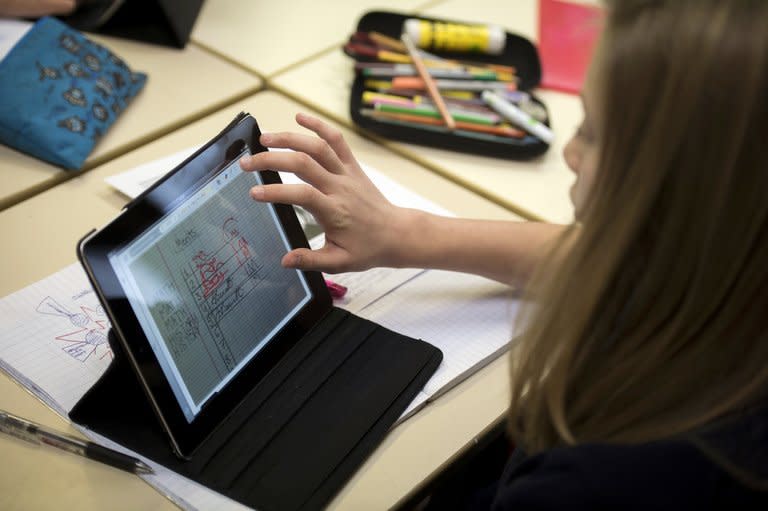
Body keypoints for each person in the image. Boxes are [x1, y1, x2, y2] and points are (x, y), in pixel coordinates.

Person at [239, 0, 768, 507]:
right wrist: (403, 233)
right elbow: (623, 259)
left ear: (680, 194)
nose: (569, 151)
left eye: (591, 129)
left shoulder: (601, 481)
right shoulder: (735, 270)